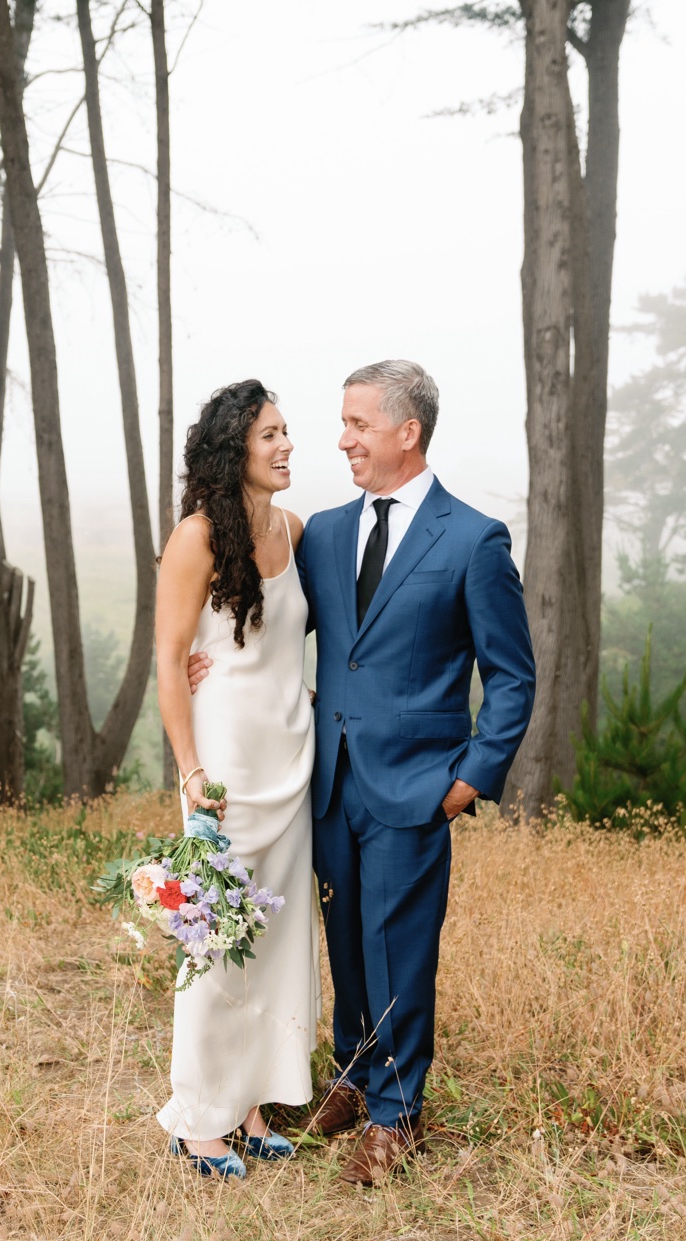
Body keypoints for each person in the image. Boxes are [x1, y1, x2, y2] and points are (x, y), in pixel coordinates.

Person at [190, 359, 535, 1187]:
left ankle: (398, 1114)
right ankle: (351, 1077)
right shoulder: (328, 533)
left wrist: (472, 778)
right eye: (340, 424)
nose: (339, 440)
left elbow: (514, 676)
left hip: (419, 788)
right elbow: (269, 618)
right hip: (327, 780)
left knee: (400, 950)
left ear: (405, 432)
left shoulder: (473, 540)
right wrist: (215, 660)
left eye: (357, 425)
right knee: (343, 940)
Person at [153, 379, 319, 1180]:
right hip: (223, 766)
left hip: (293, 756)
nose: (286, 445)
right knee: (215, 940)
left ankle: (254, 1104)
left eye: (287, 432)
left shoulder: (294, 529)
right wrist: (191, 774)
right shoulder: (194, 538)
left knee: (281, 940)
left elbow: (294, 641)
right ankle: (198, 1117)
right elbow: (168, 662)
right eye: (269, 436)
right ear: (234, 451)